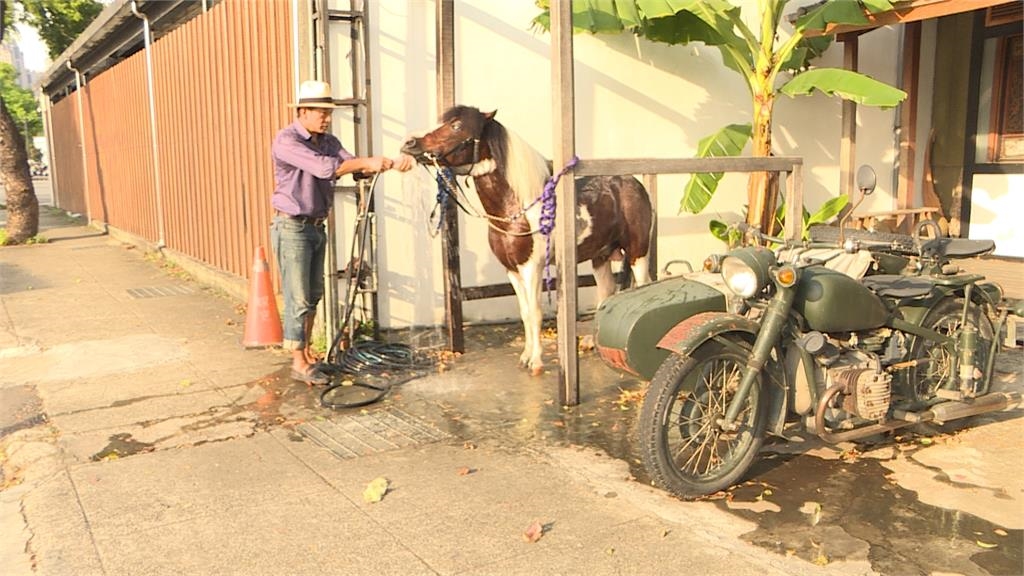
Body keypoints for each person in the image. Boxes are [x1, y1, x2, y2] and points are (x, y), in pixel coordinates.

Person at [270, 80, 414, 385]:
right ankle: (297, 361)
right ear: (303, 111)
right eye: (321, 112)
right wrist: (365, 162)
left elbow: (352, 166)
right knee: (298, 298)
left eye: (328, 112)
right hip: (291, 226)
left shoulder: (328, 141)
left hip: (315, 226)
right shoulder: (286, 140)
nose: (326, 117)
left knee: (313, 295)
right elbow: (325, 169)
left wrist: (388, 164)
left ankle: (306, 353)